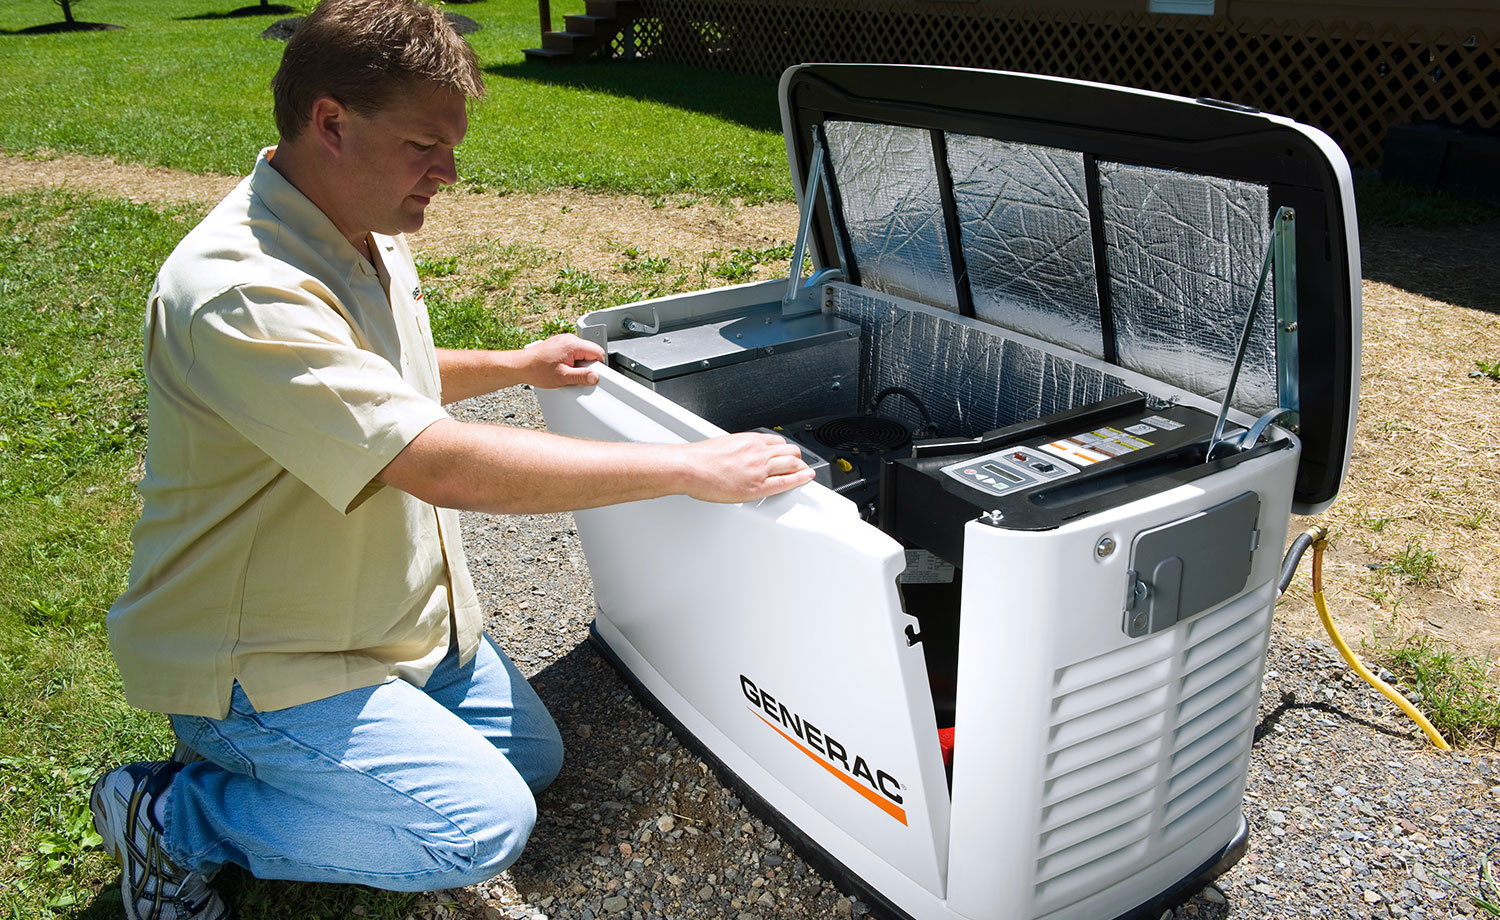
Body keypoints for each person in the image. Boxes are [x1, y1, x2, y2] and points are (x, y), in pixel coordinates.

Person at [87, 2, 814, 918]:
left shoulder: (358, 217)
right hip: (261, 661)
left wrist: (515, 365)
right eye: (425, 143)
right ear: (330, 123)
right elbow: (442, 468)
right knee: (474, 826)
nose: (451, 171)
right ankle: (175, 816)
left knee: (532, 759)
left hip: (378, 626)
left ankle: (313, 768)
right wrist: (685, 468)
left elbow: (388, 378)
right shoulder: (242, 292)